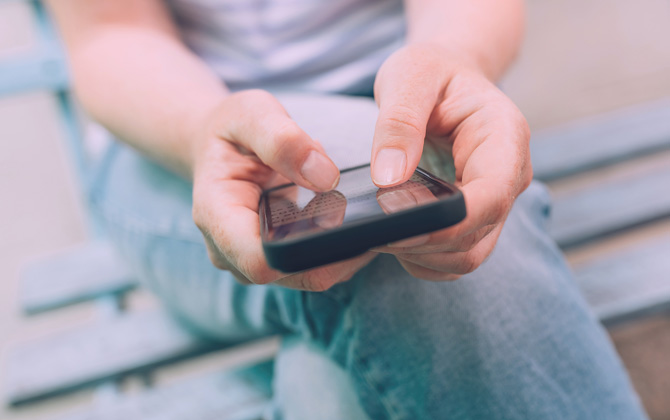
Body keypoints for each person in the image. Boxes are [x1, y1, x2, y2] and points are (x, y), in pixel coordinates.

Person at [46, 0, 648, 419]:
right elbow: (108, 28)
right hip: (173, 137)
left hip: (404, 104)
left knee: (333, 390)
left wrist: (450, 59)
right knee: (430, 261)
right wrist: (204, 127)